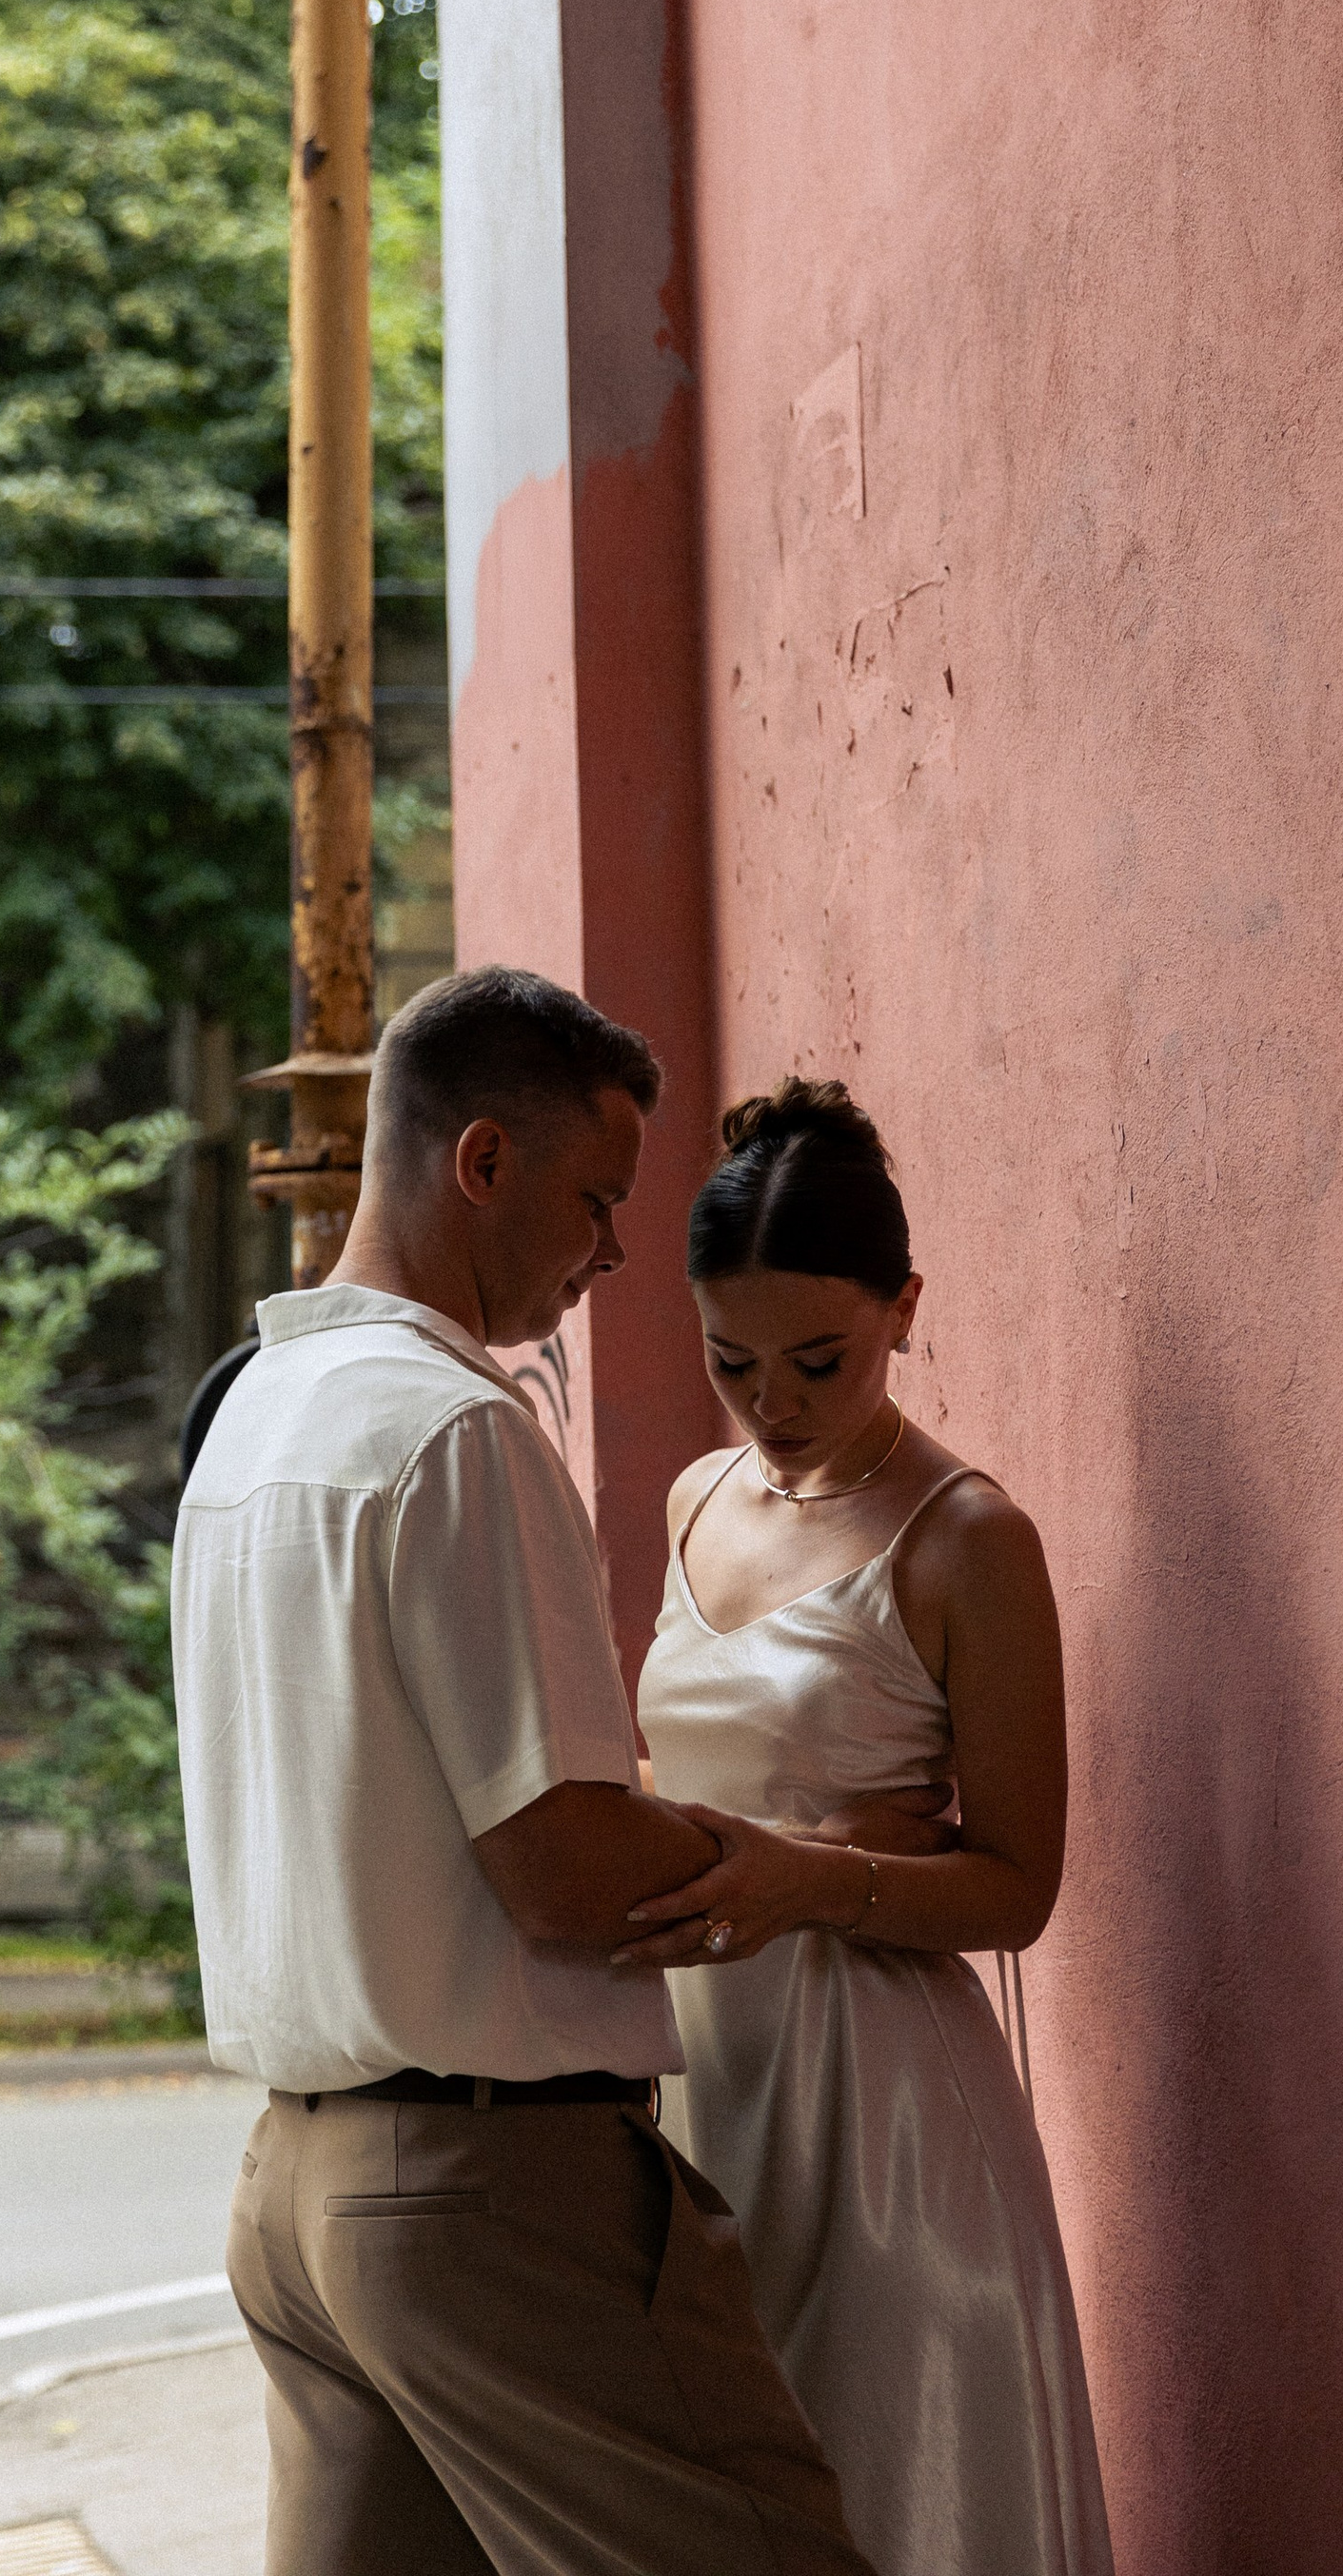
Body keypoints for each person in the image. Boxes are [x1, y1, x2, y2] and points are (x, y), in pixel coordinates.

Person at [171, 967, 878, 2576]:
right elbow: (561, 1871)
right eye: (595, 1198)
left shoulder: (255, 1419)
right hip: (488, 2190)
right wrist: (790, 1860)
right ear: (480, 1163)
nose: (615, 1252)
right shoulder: (458, 1433)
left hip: (298, 2191)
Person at [627, 1083, 1115, 2576]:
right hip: (702, 2079)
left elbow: (1019, 1889)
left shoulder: (969, 1538)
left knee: (894, 2497)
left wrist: (814, 1877)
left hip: (885, 2112)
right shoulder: (694, 1500)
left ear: (905, 1308)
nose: (772, 1402)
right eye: (733, 1363)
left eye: (819, 1360)